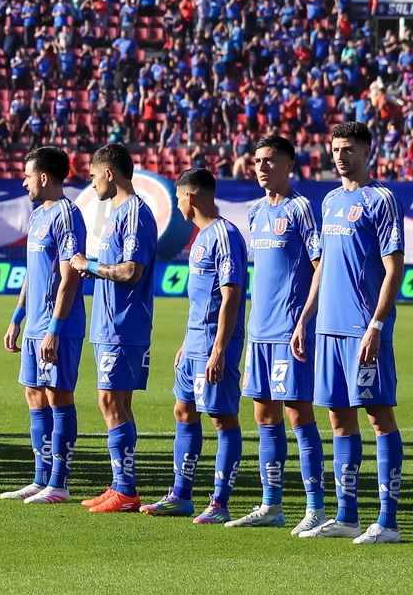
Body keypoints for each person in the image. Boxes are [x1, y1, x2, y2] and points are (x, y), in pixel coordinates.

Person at [293, 122, 404, 544]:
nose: (340, 155)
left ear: (366, 151)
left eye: (348, 148)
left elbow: (394, 268)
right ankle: (347, 517)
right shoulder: (330, 201)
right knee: (338, 418)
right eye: (336, 148)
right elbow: (323, 269)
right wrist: (306, 318)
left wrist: (376, 324)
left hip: (362, 330)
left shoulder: (381, 199)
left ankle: (388, 522)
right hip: (328, 329)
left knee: (378, 417)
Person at [226, 135, 327, 532]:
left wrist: (304, 320)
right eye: (258, 161)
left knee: (298, 413)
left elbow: (321, 266)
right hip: (260, 332)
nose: (262, 167)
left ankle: (315, 508)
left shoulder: (301, 208)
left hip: (290, 331)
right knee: (263, 414)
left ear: (289, 165)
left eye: (270, 160)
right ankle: (272, 505)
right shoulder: (254, 212)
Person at [140, 169, 247, 524]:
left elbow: (231, 296)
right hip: (194, 346)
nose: (177, 205)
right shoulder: (200, 238)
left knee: (222, 419)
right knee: (183, 411)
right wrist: (186, 343)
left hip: (215, 346)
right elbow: (200, 299)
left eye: (178, 198)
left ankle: (219, 503)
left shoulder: (225, 235)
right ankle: (181, 495)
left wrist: (219, 350)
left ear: (190, 196)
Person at [68, 143, 157, 513]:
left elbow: (131, 270)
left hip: (124, 326)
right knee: (117, 402)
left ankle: (127, 490)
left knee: (110, 401)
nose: (92, 184)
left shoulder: (134, 213)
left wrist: (89, 266)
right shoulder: (118, 214)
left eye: (93, 176)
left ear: (109, 173)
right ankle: (122, 485)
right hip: (110, 325)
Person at [3, 146, 86, 504]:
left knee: (57, 396)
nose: (24, 182)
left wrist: (54, 328)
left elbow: (70, 277)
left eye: (27, 176)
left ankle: (59, 483)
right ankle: (40, 478)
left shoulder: (67, 215)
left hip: (57, 326)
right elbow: (31, 274)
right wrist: (17, 318)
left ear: (44, 176)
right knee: (34, 393)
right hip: (34, 324)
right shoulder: (38, 215)